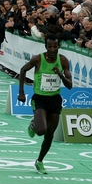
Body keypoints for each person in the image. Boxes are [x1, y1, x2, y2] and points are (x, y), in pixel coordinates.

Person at [17, 34, 72, 174]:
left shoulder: (63, 61)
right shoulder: (38, 59)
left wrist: (60, 75)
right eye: (50, 47)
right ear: (46, 47)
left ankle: (40, 161)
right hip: (40, 99)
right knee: (41, 130)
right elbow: (23, 70)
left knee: (49, 135)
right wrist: (21, 92)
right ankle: (34, 124)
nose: (53, 49)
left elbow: (70, 85)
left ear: (59, 47)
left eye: (55, 46)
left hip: (55, 100)